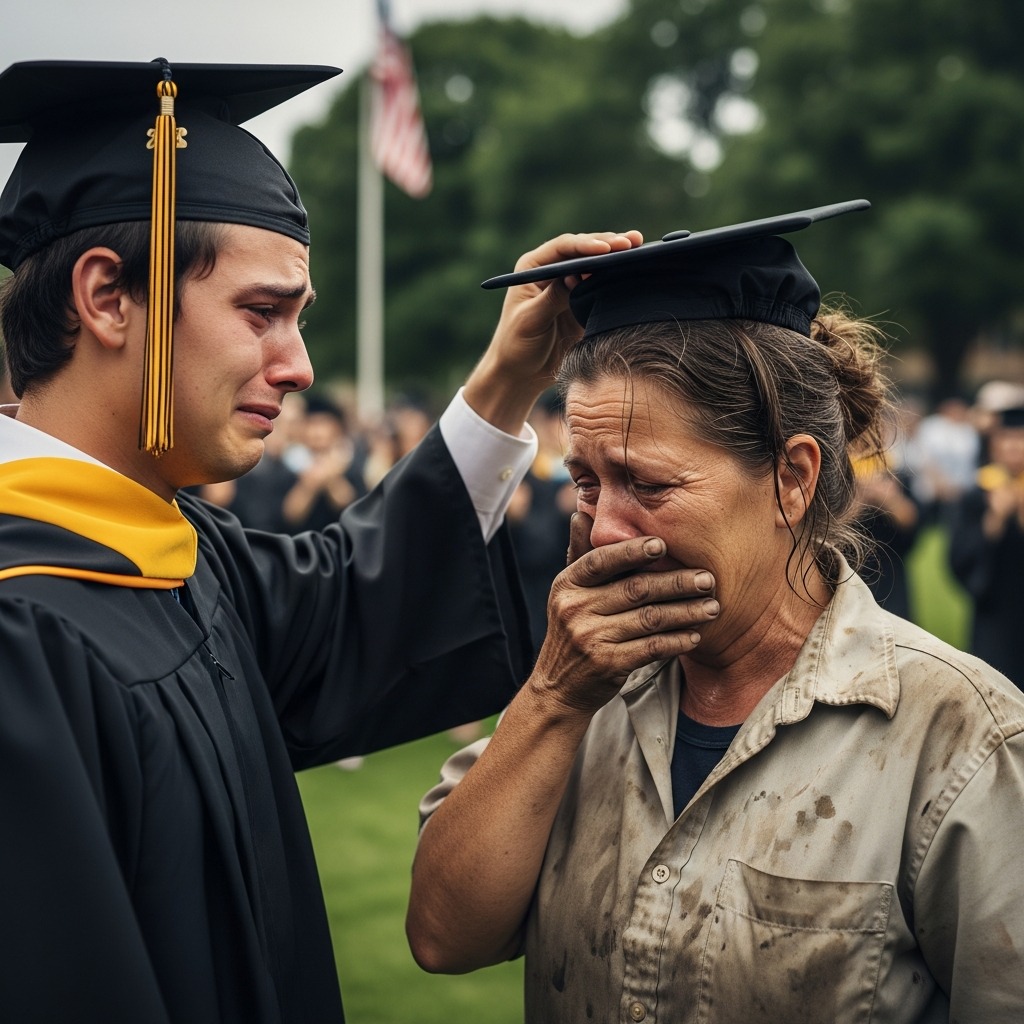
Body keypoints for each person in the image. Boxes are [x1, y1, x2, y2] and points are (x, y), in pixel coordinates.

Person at [0, 57, 662, 1024]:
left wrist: (508, 374)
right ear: (107, 298)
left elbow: (350, 598)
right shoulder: (25, 629)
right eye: (261, 313)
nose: (302, 366)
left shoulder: (171, 549)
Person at [406, 201, 1024, 1022]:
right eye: (585, 482)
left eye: (648, 484)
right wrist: (553, 699)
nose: (602, 527)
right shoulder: (582, 689)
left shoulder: (961, 738)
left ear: (792, 479)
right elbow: (446, 936)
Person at [948, 404, 1024, 689]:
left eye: (1021, 437)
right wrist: (994, 521)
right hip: (994, 616)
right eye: (1007, 438)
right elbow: (959, 560)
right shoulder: (976, 496)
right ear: (993, 445)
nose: (1015, 446)